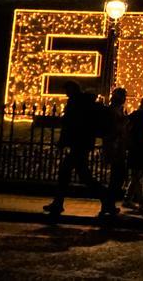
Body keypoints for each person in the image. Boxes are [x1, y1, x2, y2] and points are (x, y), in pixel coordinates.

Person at [43, 82, 105, 216]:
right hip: (83, 144)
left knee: (76, 175)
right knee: (75, 174)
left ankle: (107, 200)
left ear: (72, 90)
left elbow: (70, 125)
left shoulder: (76, 103)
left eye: (67, 90)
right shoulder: (84, 103)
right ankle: (58, 204)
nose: (65, 93)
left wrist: (62, 142)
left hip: (78, 144)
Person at [99, 87, 129, 217]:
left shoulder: (116, 110)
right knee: (117, 177)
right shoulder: (113, 111)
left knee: (117, 177)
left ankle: (108, 204)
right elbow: (114, 129)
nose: (125, 99)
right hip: (115, 148)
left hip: (117, 147)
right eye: (123, 96)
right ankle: (108, 203)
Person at [123, 96, 143, 209]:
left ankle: (130, 198)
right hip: (139, 148)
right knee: (137, 174)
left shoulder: (139, 115)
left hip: (139, 147)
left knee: (137, 175)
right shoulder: (142, 116)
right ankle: (136, 199)